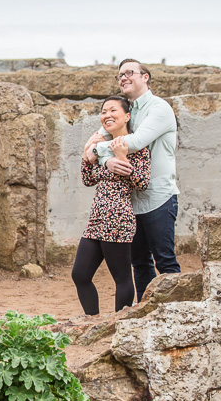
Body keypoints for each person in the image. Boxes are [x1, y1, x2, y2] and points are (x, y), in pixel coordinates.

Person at [105, 58, 181, 301]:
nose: (124, 78)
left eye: (129, 73)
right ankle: (146, 313)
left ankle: (177, 313)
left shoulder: (159, 108)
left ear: (145, 77)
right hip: (133, 201)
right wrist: (100, 153)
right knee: (139, 263)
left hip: (159, 197)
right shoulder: (126, 109)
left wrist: (96, 152)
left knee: (165, 261)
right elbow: (101, 133)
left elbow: (135, 143)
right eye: (120, 75)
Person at [72, 96, 151, 314]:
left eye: (113, 110)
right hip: (96, 219)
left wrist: (122, 157)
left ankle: (119, 325)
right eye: (104, 111)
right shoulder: (101, 147)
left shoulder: (136, 146)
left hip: (118, 219)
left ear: (127, 116)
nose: (107, 115)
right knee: (80, 274)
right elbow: (87, 179)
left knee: (122, 277)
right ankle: (93, 322)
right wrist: (88, 152)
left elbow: (142, 183)